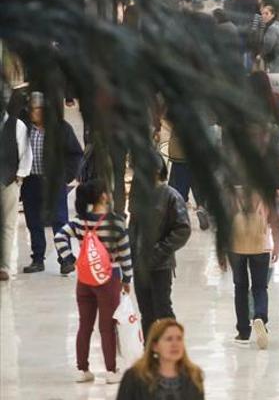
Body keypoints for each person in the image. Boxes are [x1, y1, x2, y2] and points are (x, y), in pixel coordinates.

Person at [54, 179, 133, 383]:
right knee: (107, 326)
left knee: (84, 325)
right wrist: (127, 278)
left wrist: (70, 259)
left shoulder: (81, 221)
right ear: (103, 196)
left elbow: (60, 236)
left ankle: (83, 369)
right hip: (108, 279)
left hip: (85, 278)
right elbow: (125, 253)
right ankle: (111, 370)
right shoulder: (115, 222)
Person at [128, 155, 191, 338]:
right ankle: (150, 354)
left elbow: (182, 230)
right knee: (146, 314)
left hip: (160, 265)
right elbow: (133, 227)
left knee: (163, 311)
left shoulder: (171, 195)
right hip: (140, 266)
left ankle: (172, 351)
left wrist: (160, 251)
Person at [21, 92, 82, 273]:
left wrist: (66, 177)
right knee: (34, 221)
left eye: (37, 110)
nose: (34, 113)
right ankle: (37, 258)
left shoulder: (61, 129)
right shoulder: (24, 129)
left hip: (54, 182)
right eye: (31, 110)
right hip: (31, 181)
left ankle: (65, 259)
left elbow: (76, 154)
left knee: (59, 220)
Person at [220, 187, 279, 349]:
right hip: (261, 246)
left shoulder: (232, 194)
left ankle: (243, 331)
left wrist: (221, 252)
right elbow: (275, 220)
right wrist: (277, 244)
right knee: (260, 287)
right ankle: (260, 317)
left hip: (236, 247)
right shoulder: (264, 190)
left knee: (240, 288)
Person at [116, 318, 205, 399]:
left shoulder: (194, 375)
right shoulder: (134, 377)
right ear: (155, 346)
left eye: (179, 338)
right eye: (169, 339)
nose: (175, 344)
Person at [0, 88, 32, 281]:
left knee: (8, 225)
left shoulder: (17, 125)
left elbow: (26, 154)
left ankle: (3, 266)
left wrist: (19, 177)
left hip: (9, 182)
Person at [258, 4, 279, 73]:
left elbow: (268, 45)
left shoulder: (272, 27)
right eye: (262, 14)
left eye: (266, 14)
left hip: (275, 61)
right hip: (275, 60)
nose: (264, 16)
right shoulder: (273, 25)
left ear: (273, 15)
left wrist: (260, 55)